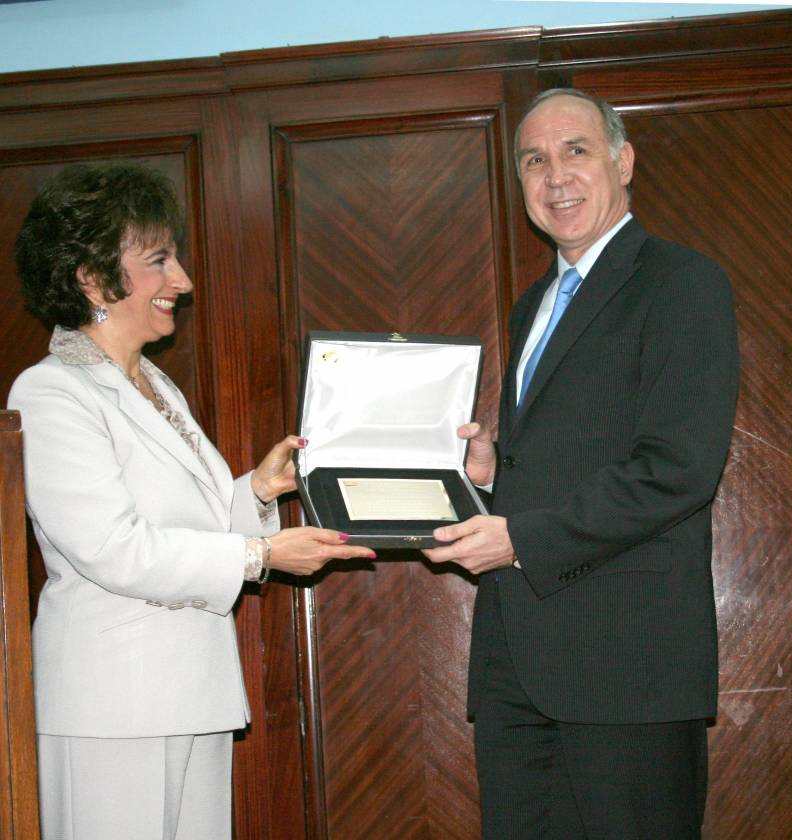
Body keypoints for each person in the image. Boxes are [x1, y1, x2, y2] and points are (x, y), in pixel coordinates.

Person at [7, 162, 375, 840]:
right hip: (111, 707)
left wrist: (256, 492)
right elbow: (113, 548)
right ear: (92, 276)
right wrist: (262, 553)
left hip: (191, 691)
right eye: (159, 259)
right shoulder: (50, 392)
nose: (182, 280)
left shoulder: (157, 388)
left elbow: (186, 528)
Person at [423, 88, 739, 839]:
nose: (554, 176)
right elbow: (574, 455)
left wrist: (520, 539)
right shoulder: (532, 305)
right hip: (516, 668)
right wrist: (495, 473)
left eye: (576, 151)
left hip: (626, 667)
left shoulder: (682, 283)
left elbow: (679, 466)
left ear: (622, 162)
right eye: (534, 160)